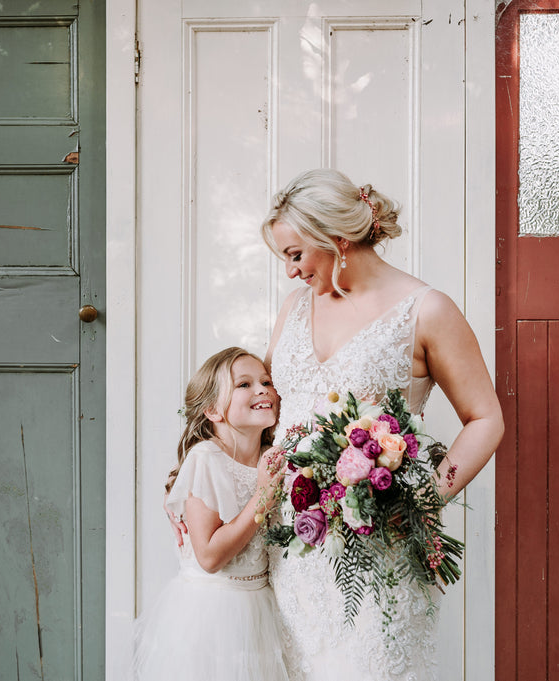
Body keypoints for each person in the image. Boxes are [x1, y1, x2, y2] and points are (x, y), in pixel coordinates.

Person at [261, 168, 504, 680]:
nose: (290, 272)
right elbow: (270, 414)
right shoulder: (294, 307)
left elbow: (485, 418)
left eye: (295, 254)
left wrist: (425, 498)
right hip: (290, 544)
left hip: (373, 547)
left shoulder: (427, 310)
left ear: (337, 238)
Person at [135, 347, 289, 681]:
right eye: (244, 384)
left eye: (266, 381)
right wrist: (263, 496)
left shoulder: (274, 457)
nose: (262, 389)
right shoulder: (206, 458)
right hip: (213, 612)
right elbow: (209, 557)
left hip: (261, 606)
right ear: (212, 411)